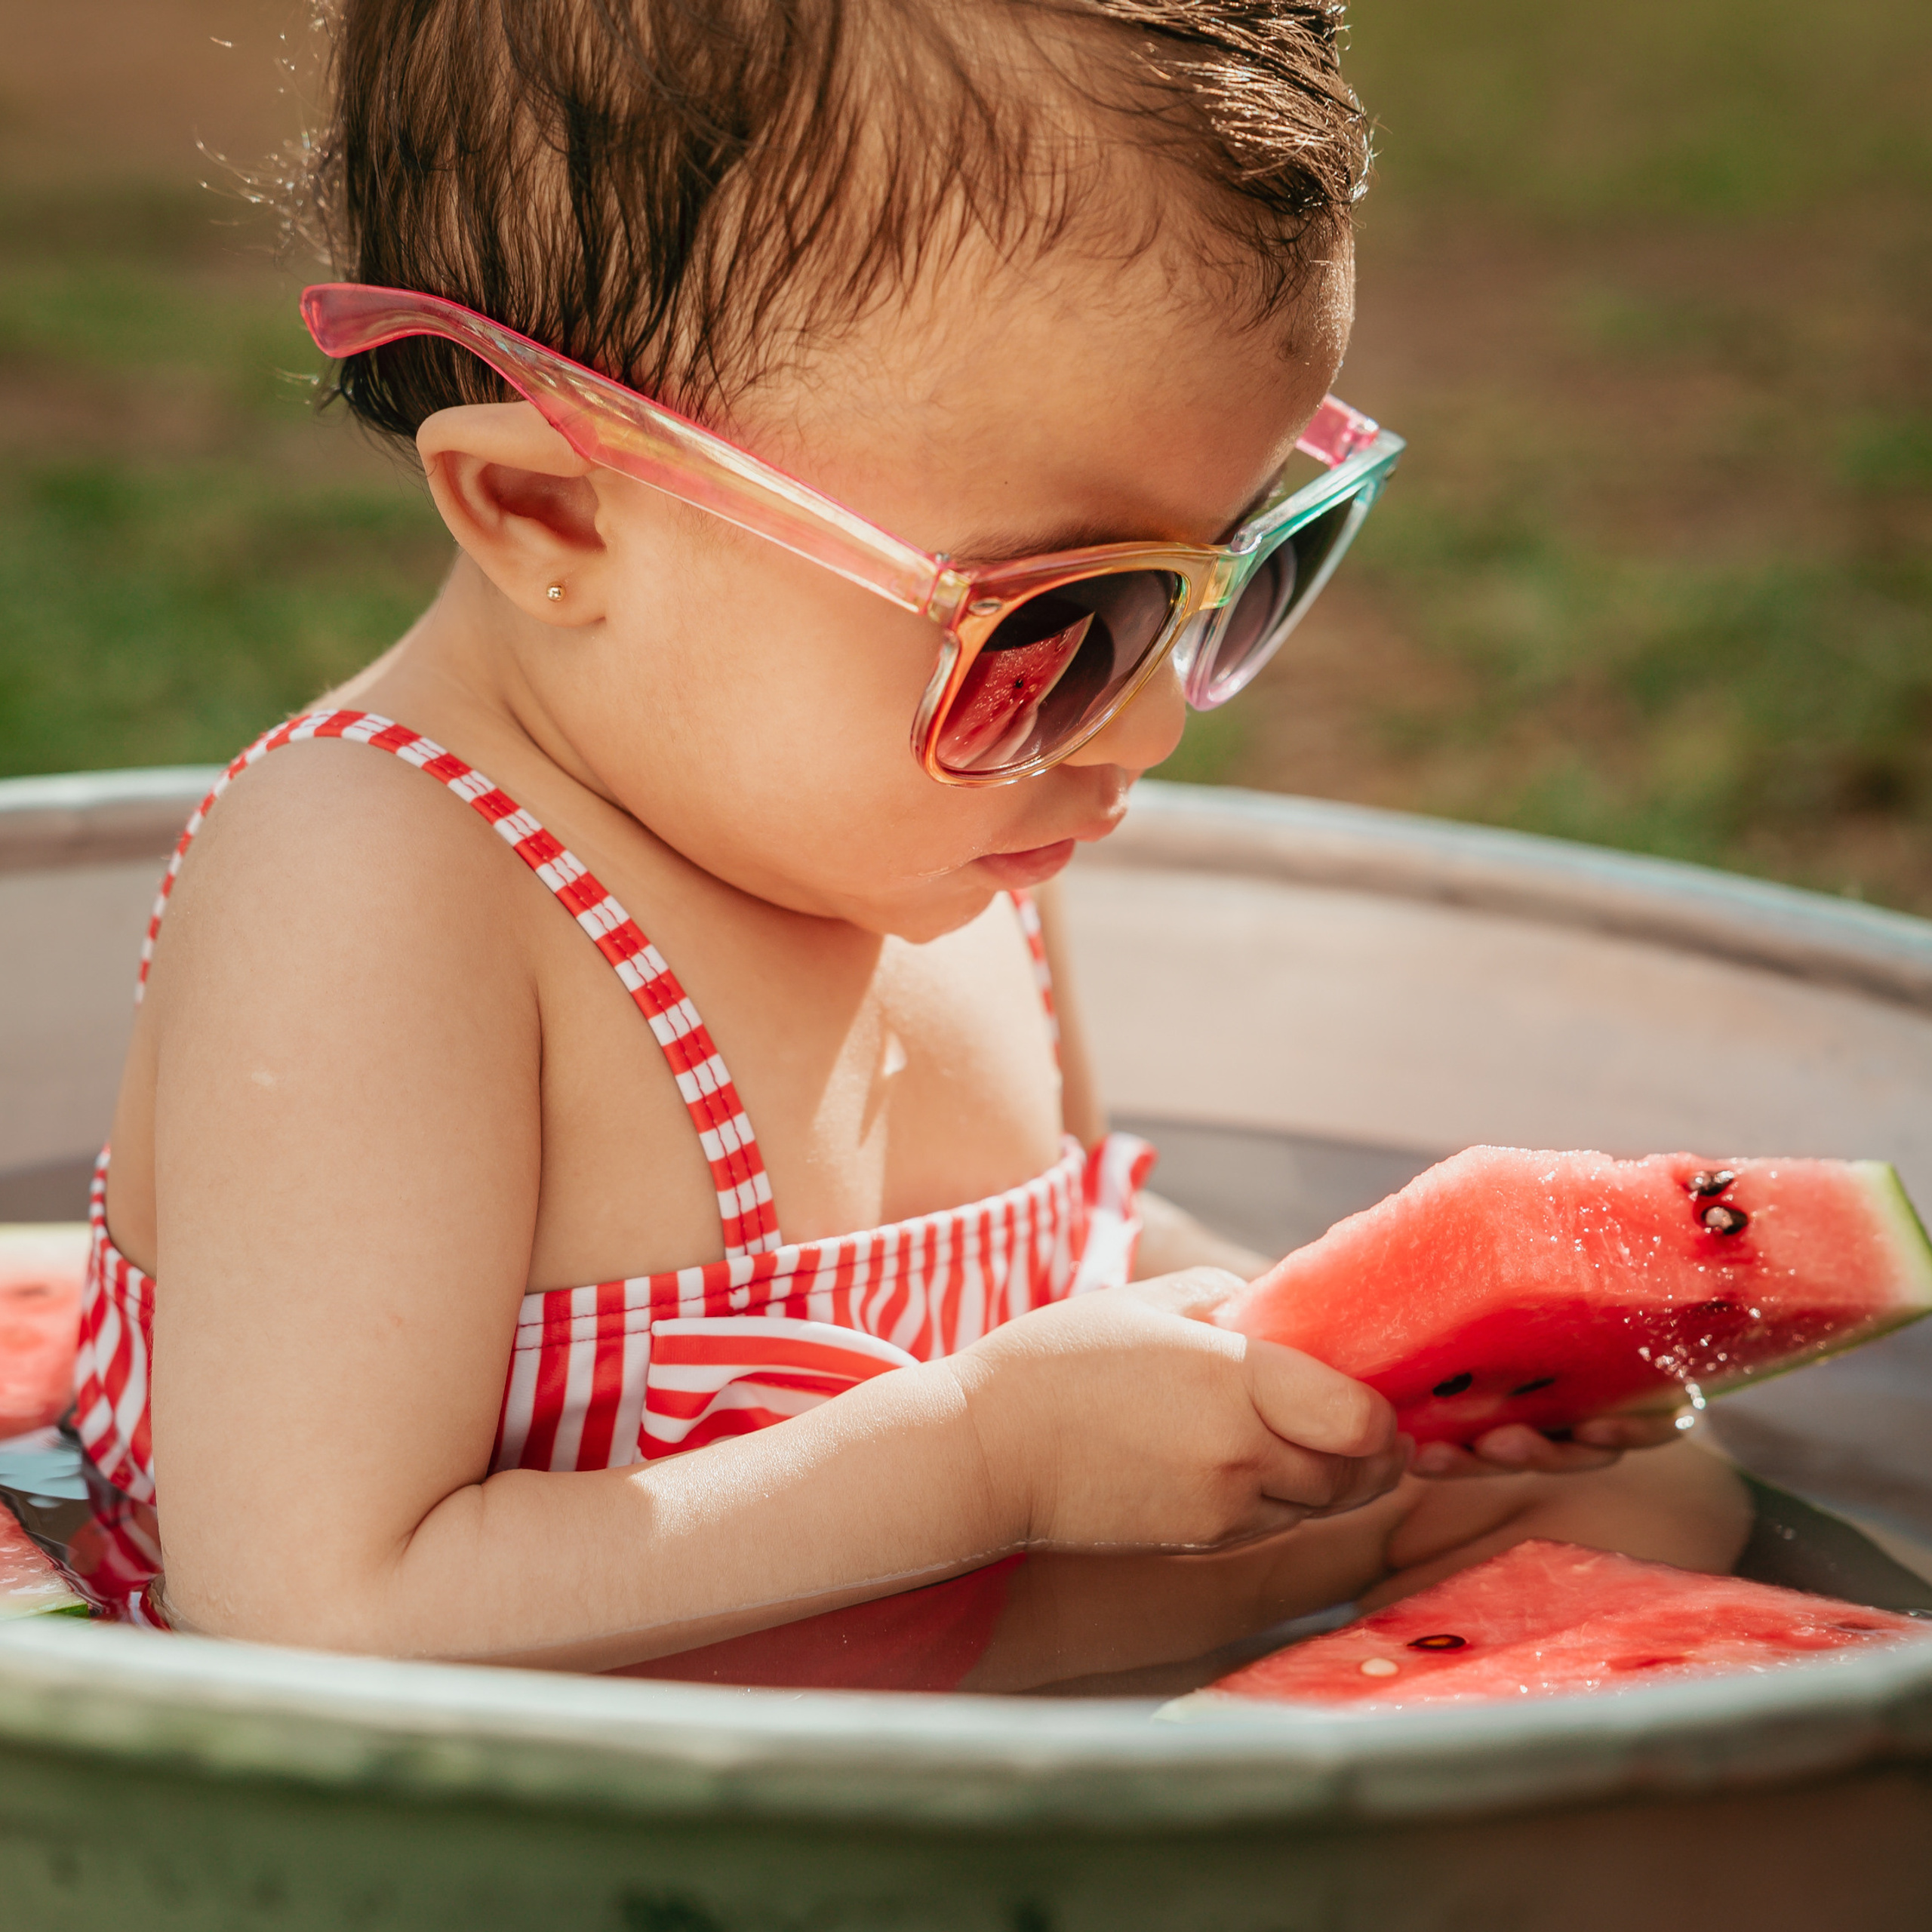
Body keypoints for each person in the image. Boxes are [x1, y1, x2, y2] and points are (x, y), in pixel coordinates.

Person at [75, 0, 1746, 1690]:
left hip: (1045, 1692)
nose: (1149, 723)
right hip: (626, 1786)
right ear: (551, 514)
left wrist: (1339, 1379)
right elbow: (311, 1607)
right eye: (1058, 623)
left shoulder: (937, 830)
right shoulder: (381, 880)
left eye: (1224, 576)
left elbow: (1079, 1247)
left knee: (1662, 1493)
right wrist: (975, 1455)